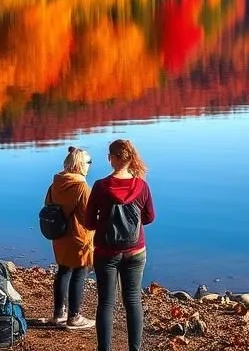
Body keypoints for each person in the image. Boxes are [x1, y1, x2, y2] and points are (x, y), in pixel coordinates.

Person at [84, 139, 155, 351]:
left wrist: (105, 222)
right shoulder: (141, 186)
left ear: (111, 159)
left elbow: (88, 222)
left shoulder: (100, 186)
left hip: (106, 251)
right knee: (133, 302)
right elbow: (150, 217)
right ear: (130, 158)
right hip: (135, 250)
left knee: (106, 303)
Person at [47, 146, 95, 330]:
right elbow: (88, 217)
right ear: (81, 165)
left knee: (63, 272)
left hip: (59, 236)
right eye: (89, 162)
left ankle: (59, 314)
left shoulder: (56, 183)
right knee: (80, 273)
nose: (90, 166)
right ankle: (74, 317)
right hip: (78, 237)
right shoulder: (81, 187)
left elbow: (48, 205)